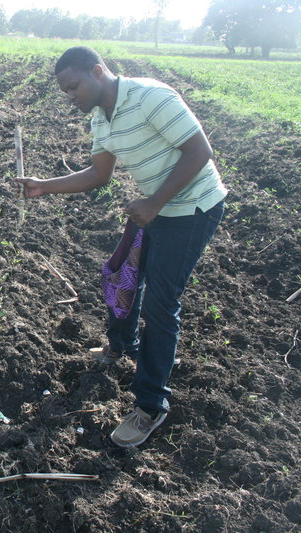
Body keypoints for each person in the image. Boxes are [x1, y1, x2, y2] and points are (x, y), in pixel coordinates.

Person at [15, 46, 227, 448]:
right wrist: (44, 187)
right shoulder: (102, 118)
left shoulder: (151, 97)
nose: (70, 96)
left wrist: (155, 202)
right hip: (156, 207)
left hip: (193, 208)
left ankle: (151, 405)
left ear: (98, 72)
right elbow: (99, 174)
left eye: (73, 86)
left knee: (161, 306)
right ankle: (120, 345)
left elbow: (200, 152)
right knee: (120, 274)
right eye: (64, 90)